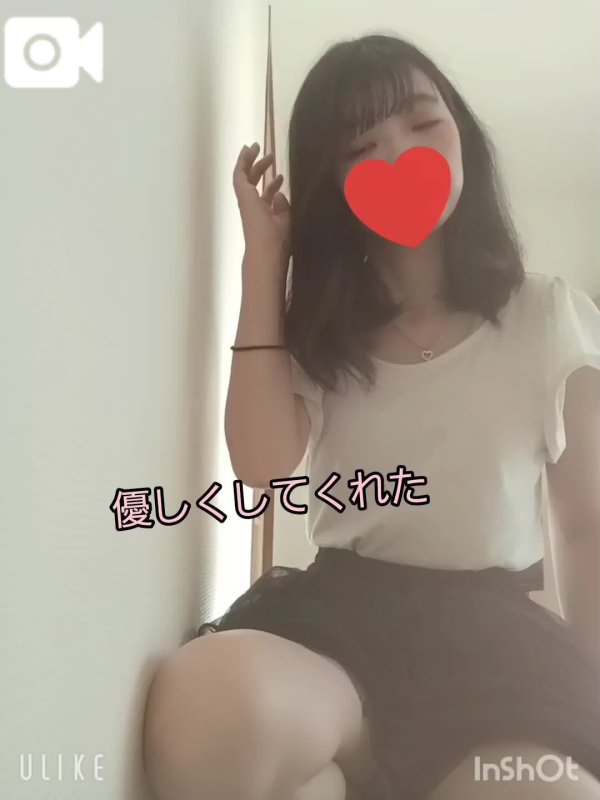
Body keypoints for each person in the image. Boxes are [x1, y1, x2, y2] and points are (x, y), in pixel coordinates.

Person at [142, 33, 600, 800]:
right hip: (340, 619)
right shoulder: (324, 331)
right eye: (361, 145)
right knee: (207, 706)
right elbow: (259, 466)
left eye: (423, 122)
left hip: (492, 640)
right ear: (332, 180)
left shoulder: (548, 314)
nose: (399, 153)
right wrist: (266, 260)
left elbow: (588, 527)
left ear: (462, 134)